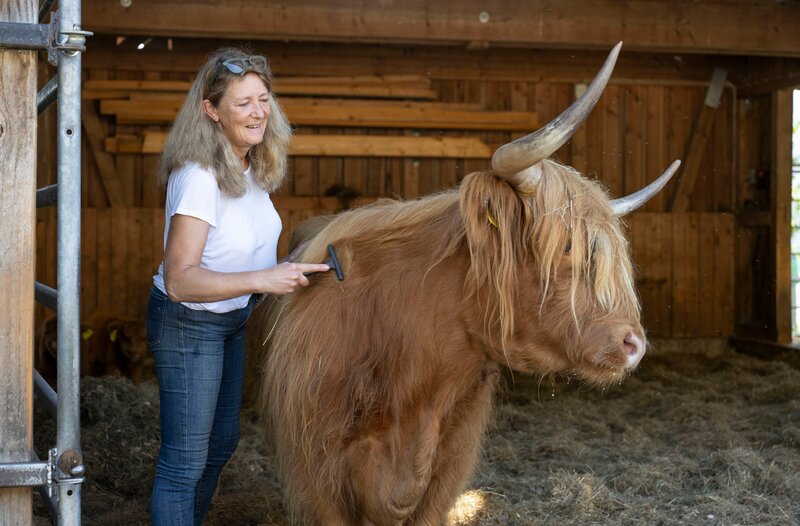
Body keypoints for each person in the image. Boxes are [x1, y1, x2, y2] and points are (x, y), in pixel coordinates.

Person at [146, 48, 328, 526]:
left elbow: (243, 252)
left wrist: (296, 265)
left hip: (232, 319)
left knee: (221, 444)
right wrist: (265, 279)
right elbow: (182, 280)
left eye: (263, 100)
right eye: (243, 102)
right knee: (184, 460)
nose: (258, 112)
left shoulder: (250, 169)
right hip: (189, 323)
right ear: (212, 110)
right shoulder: (198, 176)